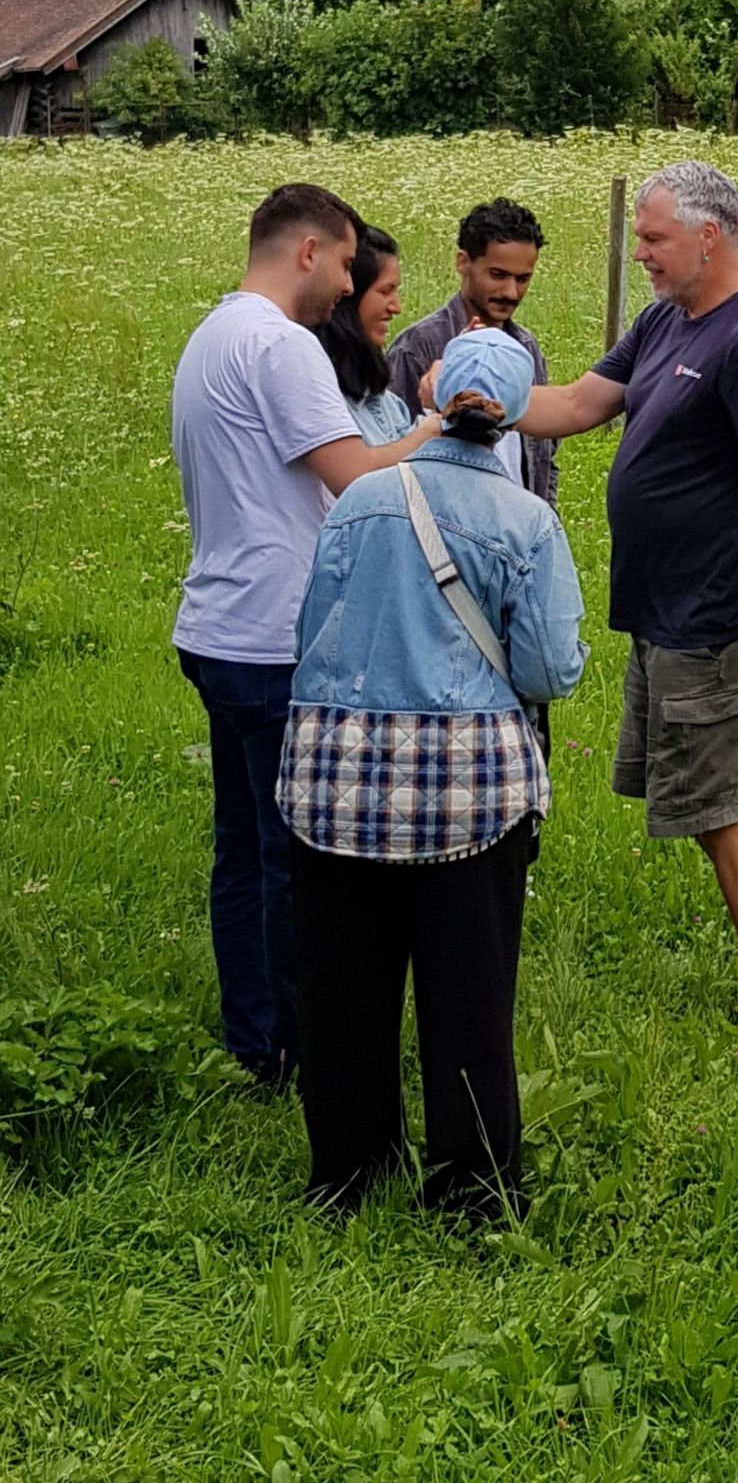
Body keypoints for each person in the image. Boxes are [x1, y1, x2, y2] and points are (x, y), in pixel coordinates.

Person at [474, 160, 738, 975]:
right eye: (638, 238)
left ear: (711, 236)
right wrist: (476, 401)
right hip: (665, 606)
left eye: (654, 238)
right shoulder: (671, 317)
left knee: (721, 800)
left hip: (715, 613)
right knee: (706, 798)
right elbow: (576, 406)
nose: (641, 254)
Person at [277, 329, 587, 1217]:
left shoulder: (362, 498)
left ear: (433, 395)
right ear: (521, 416)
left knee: (342, 995)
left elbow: (314, 630)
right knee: (469, 1001)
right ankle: (473, 1188)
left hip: (334, 782)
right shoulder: (528, 520)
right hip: (468, 794)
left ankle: (346, 1171)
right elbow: (548, 670)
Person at [171, 184, 441, 1090]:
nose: (347, 285)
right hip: (277, 635)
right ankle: (299, 1043)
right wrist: (440, 428)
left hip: (216, 625)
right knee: (300, 856)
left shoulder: (211, 333)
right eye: (344, 263)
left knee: (243, 847)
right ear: (308, 251)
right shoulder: (282, 345)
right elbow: (355, 474)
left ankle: (254, 1036)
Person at [388, 197, 558, 507]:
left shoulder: (526, 349)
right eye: (498, 275)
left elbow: (544, 455)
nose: (510, 292)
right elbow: (393, 452)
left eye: (523, 279)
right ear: (462, 262)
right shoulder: (417, 348)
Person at [317, 223, 413, 445]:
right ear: (349, 294)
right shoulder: (326, 401)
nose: (396, 307)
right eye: (385, 291)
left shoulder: (389, 403)